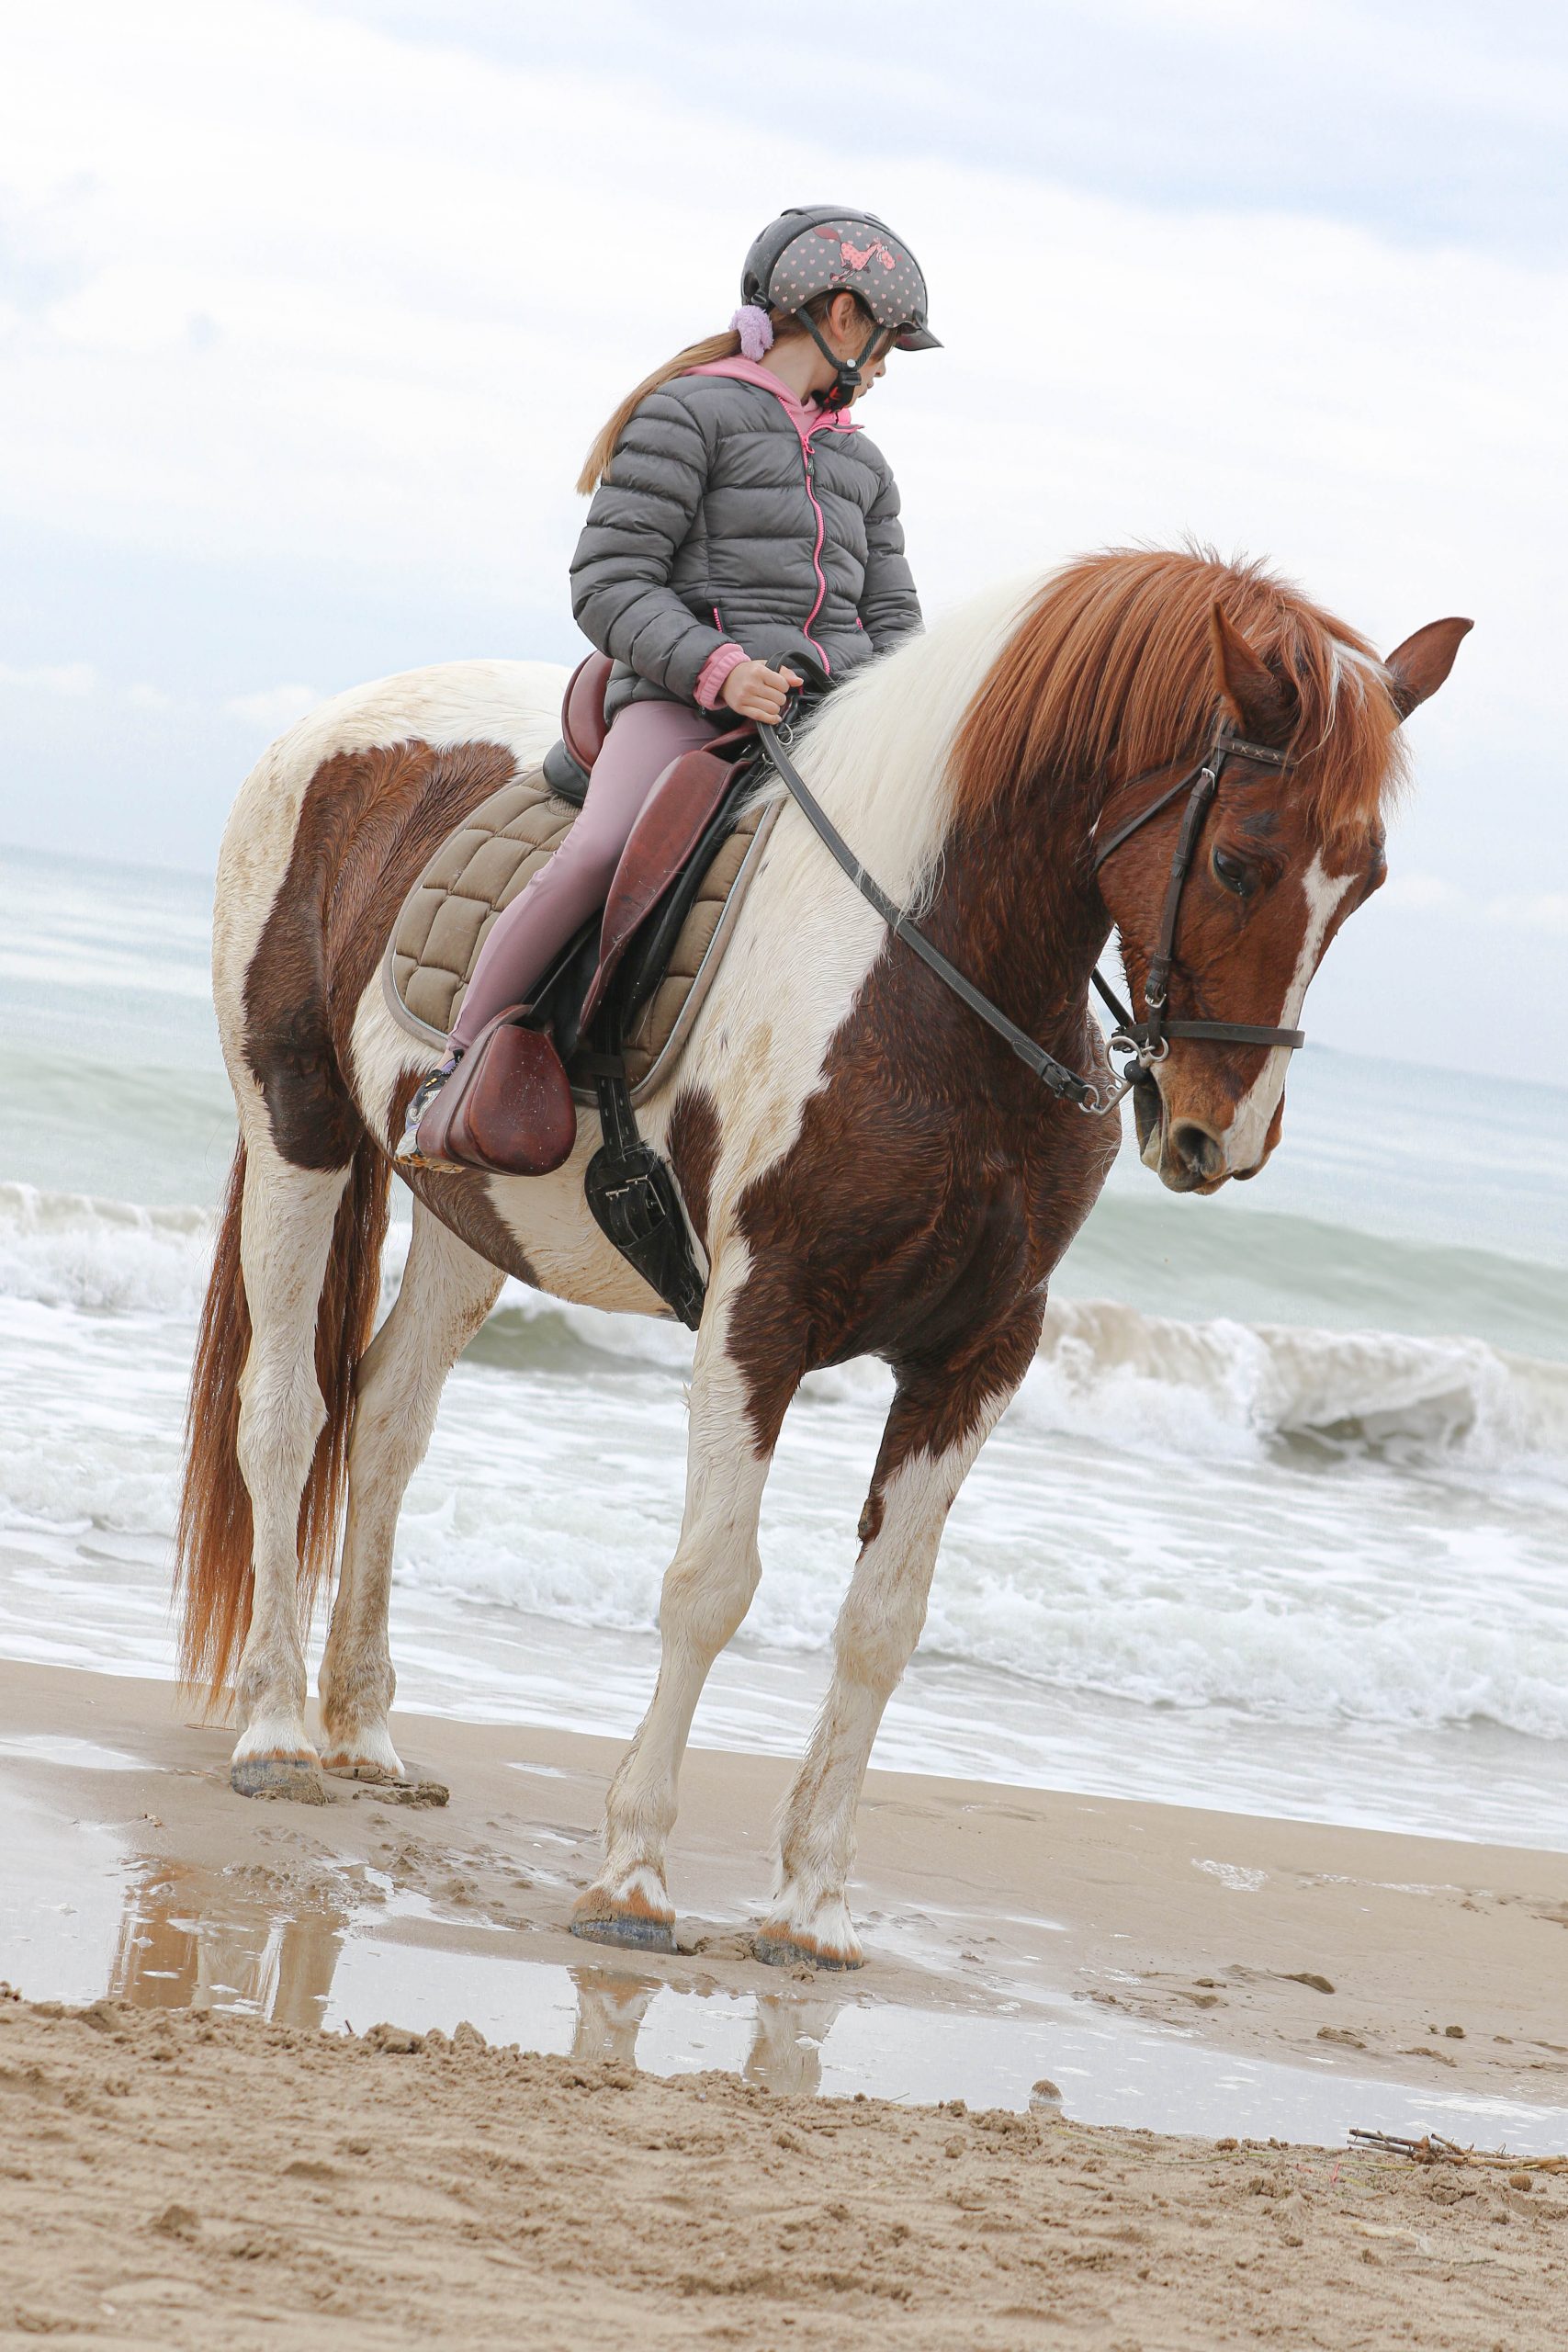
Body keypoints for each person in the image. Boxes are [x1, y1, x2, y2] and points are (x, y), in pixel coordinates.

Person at [397, 203, 938, 1167]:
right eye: (892, 338)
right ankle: (459, 1066)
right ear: (844, 316)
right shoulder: (690, 413)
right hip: (685, 705)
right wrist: (722, 673)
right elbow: (609, 583)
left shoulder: (864, 465)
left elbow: (895, 624)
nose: (892, 362)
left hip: (829, 720)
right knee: (601, 849)